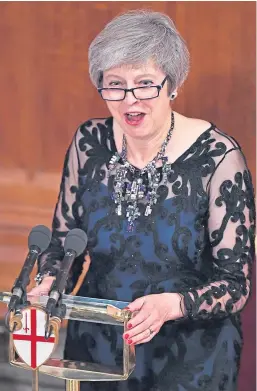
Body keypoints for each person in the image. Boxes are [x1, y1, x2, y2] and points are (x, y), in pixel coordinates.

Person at [29, 9, 255, 391]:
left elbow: (236, 284)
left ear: (173, 84)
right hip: (98, 345)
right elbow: (63, 244)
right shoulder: (89, 144)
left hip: (190, 357)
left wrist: (172, 305)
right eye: (114, 84)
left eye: (145, 83)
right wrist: (52, 280)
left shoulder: (218, 158)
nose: (130, 99)